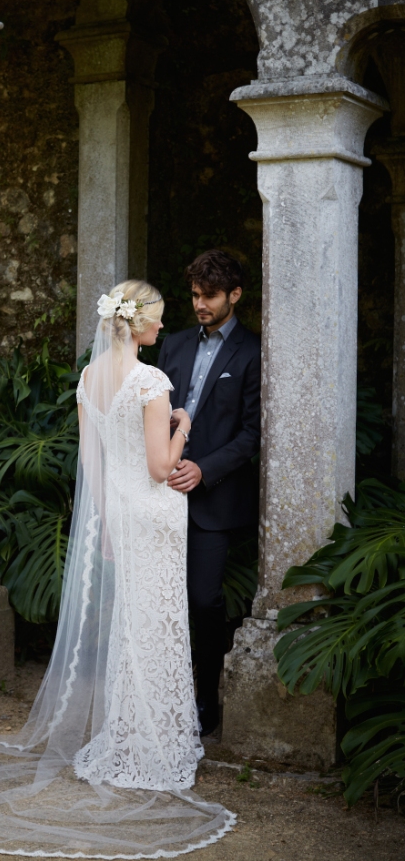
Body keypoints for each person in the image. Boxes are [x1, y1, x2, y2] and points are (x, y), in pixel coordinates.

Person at [0, 280, 235, 858]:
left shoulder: (91, 379)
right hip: (156, 516)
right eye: (157, 321)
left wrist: (107, 521)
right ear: (137, 325)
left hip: (120, 513)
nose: (163, 330)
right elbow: (163, 467)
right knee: (158, 624)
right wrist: (183, 423)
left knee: (132, 627)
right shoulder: (153, 382)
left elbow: (93, 460)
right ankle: (154, 747)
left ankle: (134, 740)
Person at [158, 251, 261, 737]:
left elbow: (251, 434)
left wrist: (204, 469)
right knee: (158, 600)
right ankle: (162, 697)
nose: (199, 304)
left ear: (234, 295)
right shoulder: (173, 345)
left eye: (210, 296)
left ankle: (206, 702)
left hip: (213, 500)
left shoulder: (254, 352)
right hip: (158, 491)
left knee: (202, 600)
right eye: (195, 295)